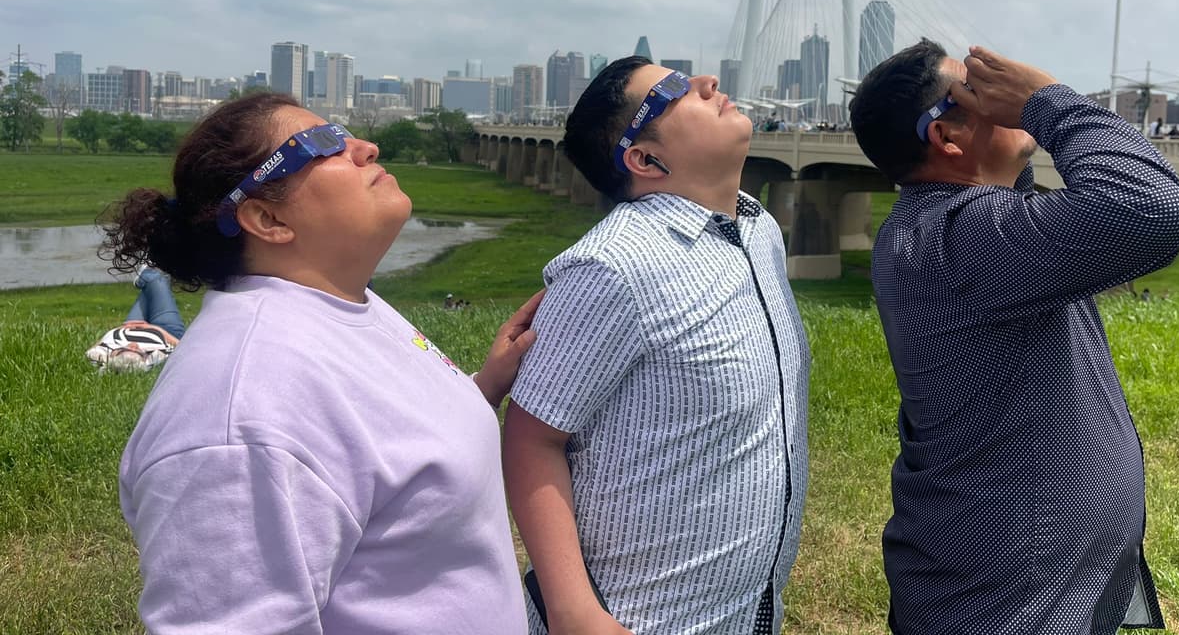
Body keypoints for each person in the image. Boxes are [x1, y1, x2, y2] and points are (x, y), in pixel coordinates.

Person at [101, 91, 542, 635]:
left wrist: (482, 388)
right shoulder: (242, 417)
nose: (365, 147)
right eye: (322, 144)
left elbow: (375, 448)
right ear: (266, 217)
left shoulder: (343, 302)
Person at [848, 41, 1179, 635]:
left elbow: (1057, 194)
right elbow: (1152, 210)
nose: (998, 98)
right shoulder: (957, 238)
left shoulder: (967, 223)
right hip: (1011, 599)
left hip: (1028, 573)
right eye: (975, 93)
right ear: (945, 138)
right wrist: (1046, 104)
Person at [503, 57, 810, 635]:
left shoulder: (758, 229)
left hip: (745, 612)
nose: (706, 83)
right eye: (673, 90)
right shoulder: (613, 265)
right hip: (639, 618)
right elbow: (531, 436)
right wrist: (575, 612)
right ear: (644, 159)